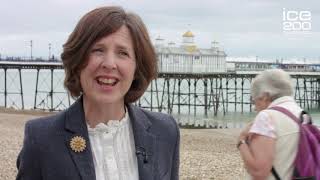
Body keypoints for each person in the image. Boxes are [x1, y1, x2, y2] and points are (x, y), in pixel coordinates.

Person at [16, 6, 180, 180]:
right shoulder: (41, 138)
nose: (109, 64)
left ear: (136, 67)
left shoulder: (165, 131)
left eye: (122, 53)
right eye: (97, 50)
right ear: (78, 60)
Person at [238, 69, 301, 179]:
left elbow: (259, 171)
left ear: (265, 96)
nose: (254, 107)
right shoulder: (302, 114)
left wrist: (241, 141)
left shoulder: (267, 117)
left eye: (254, 100)